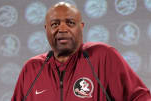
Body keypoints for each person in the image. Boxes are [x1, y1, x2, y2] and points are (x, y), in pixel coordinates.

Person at [11, 2, 151, 101]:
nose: (63, 29)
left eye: (70, 22)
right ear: (46, 29)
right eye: (55, 24)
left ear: (81, 27)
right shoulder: (32, 68)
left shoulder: (102, 56)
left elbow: (140, 97)